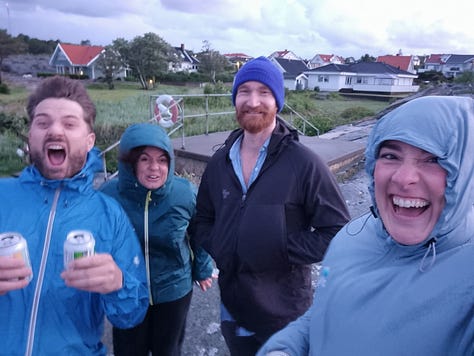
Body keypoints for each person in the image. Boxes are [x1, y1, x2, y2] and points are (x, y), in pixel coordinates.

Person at [257, 95, 474, 356]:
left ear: (465, 170)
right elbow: (324, 313)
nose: (404, 178)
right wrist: (284, 349)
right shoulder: (352, 235)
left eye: (433, 159)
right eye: (391, 155)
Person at [192, 56, 350, 355]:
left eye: (264, 92)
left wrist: (279, 248)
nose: (253, 101)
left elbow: (338, 231)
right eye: (245, 91)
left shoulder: (304, 164)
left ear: (277, 101)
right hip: (233, 306)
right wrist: (225, 245)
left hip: (284, 315)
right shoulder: (219, 163)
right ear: (235, 98)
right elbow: (203, 219)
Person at [0, 76, 148, 355]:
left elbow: (131, 315)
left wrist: (118, 284)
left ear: (90, 140)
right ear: (30, 135)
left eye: (69, 123)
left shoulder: (109, 214)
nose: (55, 131)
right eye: (43, 123)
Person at [100, 123, 215, 356]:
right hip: (126, 290)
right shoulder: (108, 196)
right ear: (130, 162)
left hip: (173, 290)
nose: (155, 168)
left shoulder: (184, 194)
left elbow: (201, 232)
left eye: (162, 160)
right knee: (128, 350)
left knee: (168, 350)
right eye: (145, 159)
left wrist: (202, 268)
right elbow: (95, 241)